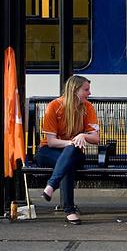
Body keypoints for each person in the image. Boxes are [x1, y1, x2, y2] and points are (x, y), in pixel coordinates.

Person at [36, 75, 100, 225]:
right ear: (74, 90)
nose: (89, 93)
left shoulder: (87, 107)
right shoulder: (54, 106)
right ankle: (69, 210)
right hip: (48, 151)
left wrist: (83, 135)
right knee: (67, 161)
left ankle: (51, 186)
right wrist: (72, 141)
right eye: (86, 89)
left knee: (68, 158)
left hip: (74, 152)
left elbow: (96, 139)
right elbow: (51, 142)